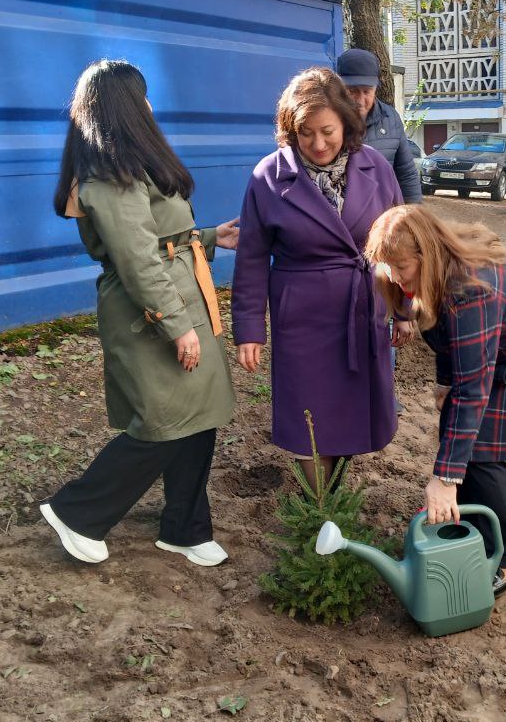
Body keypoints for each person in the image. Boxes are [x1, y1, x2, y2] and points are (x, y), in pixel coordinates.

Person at [39, 60, 238, 567]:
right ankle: (79, 513)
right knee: (162, 421)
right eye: (143, 97)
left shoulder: (130, 164)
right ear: (125, 106)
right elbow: (136, 258)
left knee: (199, 416)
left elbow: (162, 236)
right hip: (150, 312)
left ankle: (185, 528)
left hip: (179, 297)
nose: (151, 106)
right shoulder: (108, 176)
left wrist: (213, 237)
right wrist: (177, 326)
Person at [364, 206, 506, 594]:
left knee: (481, 445)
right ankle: (477, 530)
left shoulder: (468, 288)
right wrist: (443, 383)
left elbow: (474, 390)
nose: (394, 276)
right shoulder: (437, 270)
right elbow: (447, 334)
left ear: (426, 254)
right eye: (387, 267)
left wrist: (444, 478)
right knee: (460, 435)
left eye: (401, 266)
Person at [232, 67, 411, 489]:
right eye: (305, 133)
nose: (317, 144)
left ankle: (336, 497)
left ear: (346, 123)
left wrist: (403, 309)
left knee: (350, 413)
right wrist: (249, 330)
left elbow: (400, 245)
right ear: (290, 131)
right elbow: (252, 257)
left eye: (327, 131)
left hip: (363, 310)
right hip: (303, 320)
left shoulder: (376, 168)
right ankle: (320, 509)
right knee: (308, 416)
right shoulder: (268, 177)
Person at [335, 48, 422, 204]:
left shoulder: (391, 118)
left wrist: (414, 214)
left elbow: (406, 173)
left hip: (383, 217)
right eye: (352, 91)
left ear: (375, 89)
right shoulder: (328, 122)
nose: (360, 100)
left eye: (367, 91)